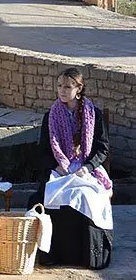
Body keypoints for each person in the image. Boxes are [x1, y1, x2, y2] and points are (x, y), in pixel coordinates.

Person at [28, 67, 113, 269]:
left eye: (67, 87)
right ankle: (55, 254)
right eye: (59, 86)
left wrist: (88, 167)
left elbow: (102, 148)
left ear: (79, 89)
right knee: (54, 195)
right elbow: (43, 151)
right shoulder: (51, 116)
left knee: (88, 196)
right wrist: (58, 166)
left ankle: (88, 256)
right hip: (60, 167)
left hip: (87, 168)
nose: (62, 91)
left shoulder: (94, 114)